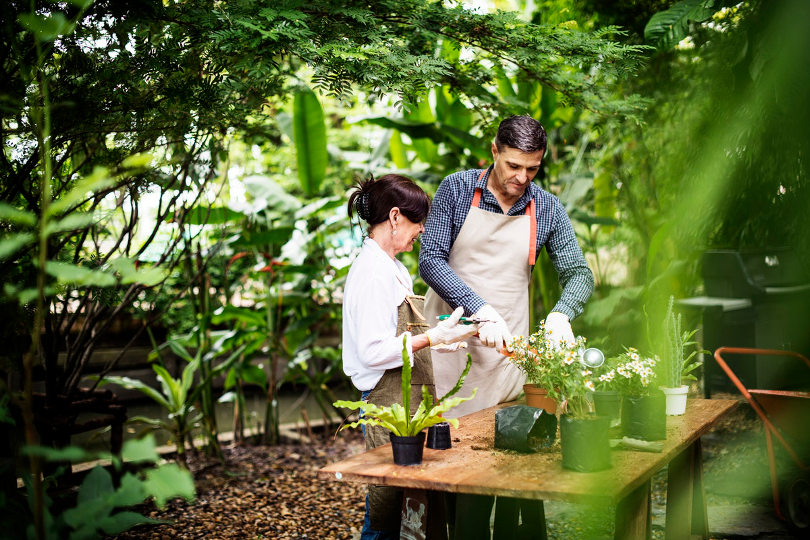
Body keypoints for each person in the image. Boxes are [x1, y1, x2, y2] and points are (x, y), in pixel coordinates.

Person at [418, 116, 594, 539]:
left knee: (510, 471)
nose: (521, 177)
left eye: (532, 168)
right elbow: (430, 260)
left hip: (506, 356)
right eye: (513, 165)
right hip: (449, 348)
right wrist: (480, 309)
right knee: (454, 480)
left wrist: (560, 313)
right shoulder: (458, 189)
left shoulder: (546, 207)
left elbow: (579, 274)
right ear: (494, 150)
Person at [342, 174, 479, 540]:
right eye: (418, 222)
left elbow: (399, 335)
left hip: (409, 406)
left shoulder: (393, 268)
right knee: (385, 512)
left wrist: (445, 336)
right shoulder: (372, 273)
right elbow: (373, 353)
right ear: (396, 217)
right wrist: (432, 336)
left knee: (412, 508)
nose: (421, 230)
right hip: (386, 405)